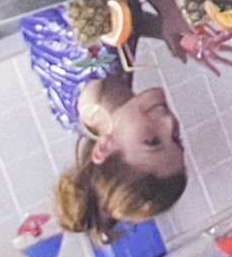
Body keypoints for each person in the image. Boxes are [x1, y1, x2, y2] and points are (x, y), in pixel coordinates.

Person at [52, 71, 187, 241]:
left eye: (152, 141)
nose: (170, 122)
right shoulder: (109, 99)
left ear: (103, 148)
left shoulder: (82, 78)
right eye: (175, 137)